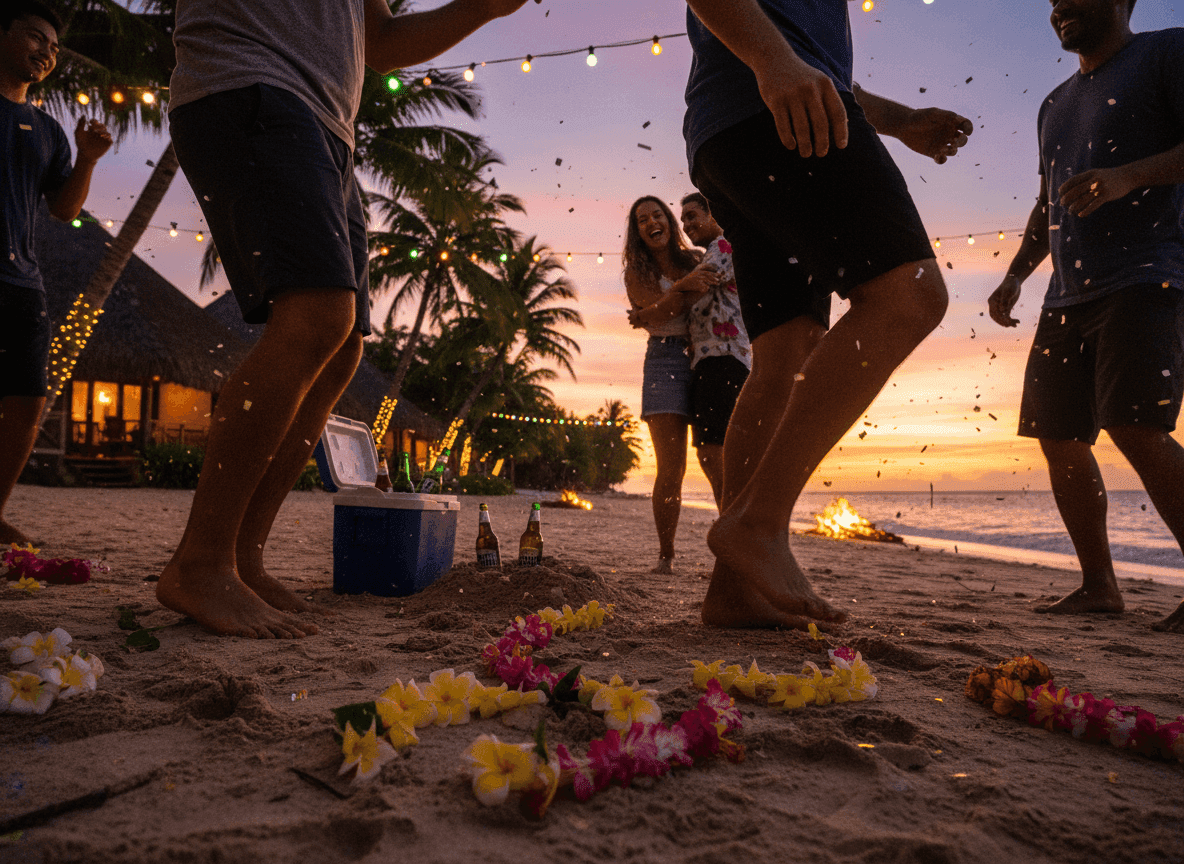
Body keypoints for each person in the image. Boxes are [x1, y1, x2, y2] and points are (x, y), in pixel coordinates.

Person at [159, 0, 528, 639]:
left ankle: (242, 557)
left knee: (343, 341)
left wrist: (483, 8)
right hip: (248, 83)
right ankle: (201, 560)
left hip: (328, 125)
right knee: (317, 313)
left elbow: (378, 38)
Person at [683, 0, 973, 629]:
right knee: (911, 294)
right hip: (775, 110)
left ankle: (736, 591)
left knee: (787, 348)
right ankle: (758, 523)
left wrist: (901, 119)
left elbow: (817, 60)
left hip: (729, 128)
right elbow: (793, 54)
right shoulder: (774, 60)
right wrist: (771, 60)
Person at [988, 0, 1184, 632]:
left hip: (1150, 273)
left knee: (1136, 425)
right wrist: (1016, 273)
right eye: (1053, 1)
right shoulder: (1053, 103)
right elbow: (1051, 197)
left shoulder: (1165, 53)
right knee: (1058, 434)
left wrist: (1128, 177)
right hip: (1067, 294)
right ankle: (1099, 585)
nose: (1062, 7)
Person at [0, 0, 112, 546]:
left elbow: (63, 211)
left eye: (54, 47)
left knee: (27, 402)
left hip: (21, 281)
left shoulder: (47, 129)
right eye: (35, 38)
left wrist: (88, 158)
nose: (47, 52)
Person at [624, 195, 722, 574]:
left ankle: (730, 546)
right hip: (664, 359)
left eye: (657, 214)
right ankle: (666, 555)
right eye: (642, 219)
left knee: (714, 455)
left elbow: (683, 300)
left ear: (670, 219)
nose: (652, 221)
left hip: (705, 355)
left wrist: (661, 303)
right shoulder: (636, 271)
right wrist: (681, 291)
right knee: (671, 467)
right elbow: (661, 313)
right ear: (637, 232)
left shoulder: (696, 259)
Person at [677, 191, 751, 509]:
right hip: (715, 360)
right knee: (712, 449)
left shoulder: (722, 246)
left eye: (692, 216)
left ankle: (732, 522)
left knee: (714, 449)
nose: (686, 225)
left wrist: (658, 300)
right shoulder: (713, 251)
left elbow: (695, 286)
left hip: (723, 359)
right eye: (683, 220)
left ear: (713, 215)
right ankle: (731, 519)